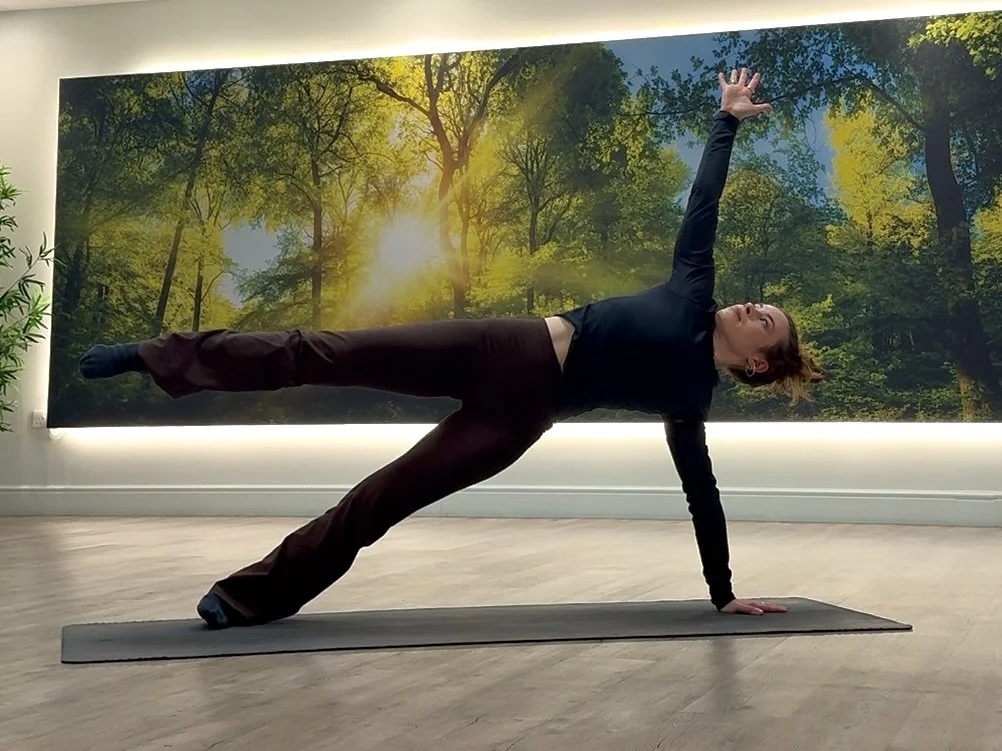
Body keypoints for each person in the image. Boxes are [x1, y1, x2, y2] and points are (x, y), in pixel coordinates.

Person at [79, 68, 822, 629]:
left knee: (381, 500)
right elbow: (705, 203)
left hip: (517, 418)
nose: (755, 306)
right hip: (502, 344)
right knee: (323, 349)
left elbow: (702, 493)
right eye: (762, 304)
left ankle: (242, 599)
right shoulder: (694, 287)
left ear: (757, 361)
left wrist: (722, 592)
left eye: (767, 322)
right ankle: (155, 355)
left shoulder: (690, 399)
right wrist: (726, 120)